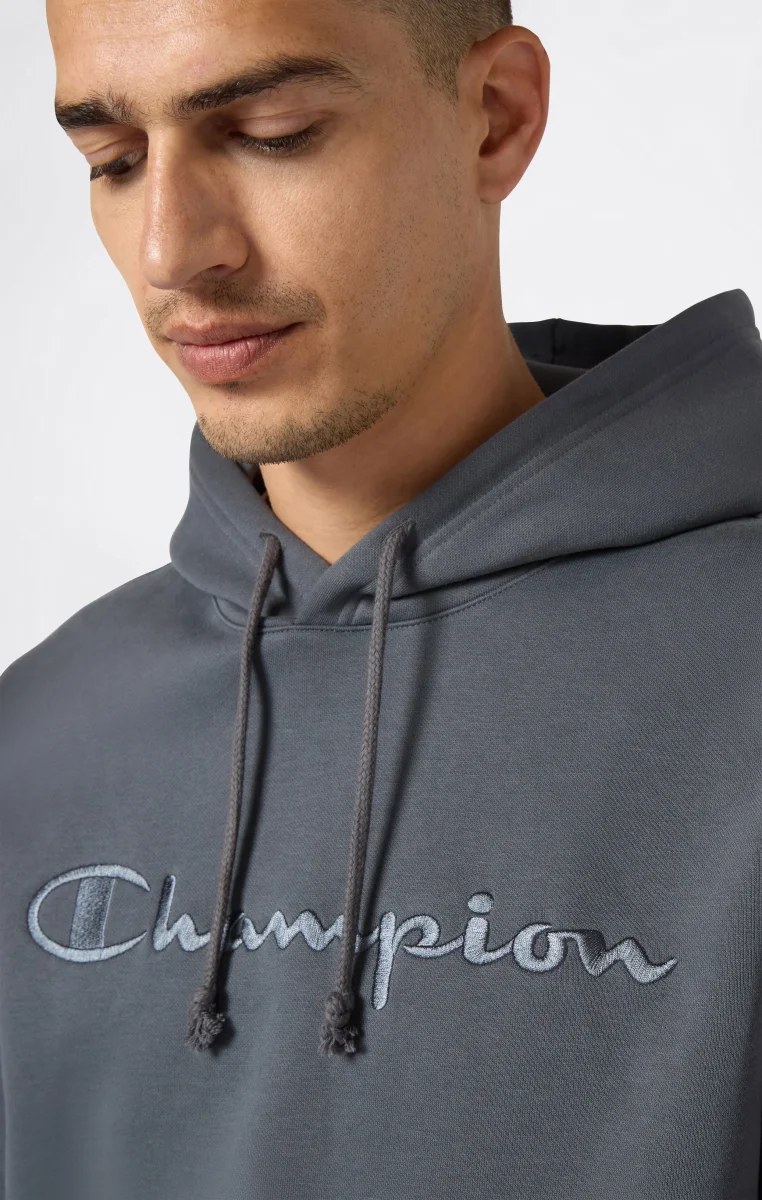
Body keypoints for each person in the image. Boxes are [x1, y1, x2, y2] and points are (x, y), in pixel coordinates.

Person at [1, 0, 761, 1196]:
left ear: (495, 118)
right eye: (115, 159)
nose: (171, 250)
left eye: (271, 133)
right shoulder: (38, 730)